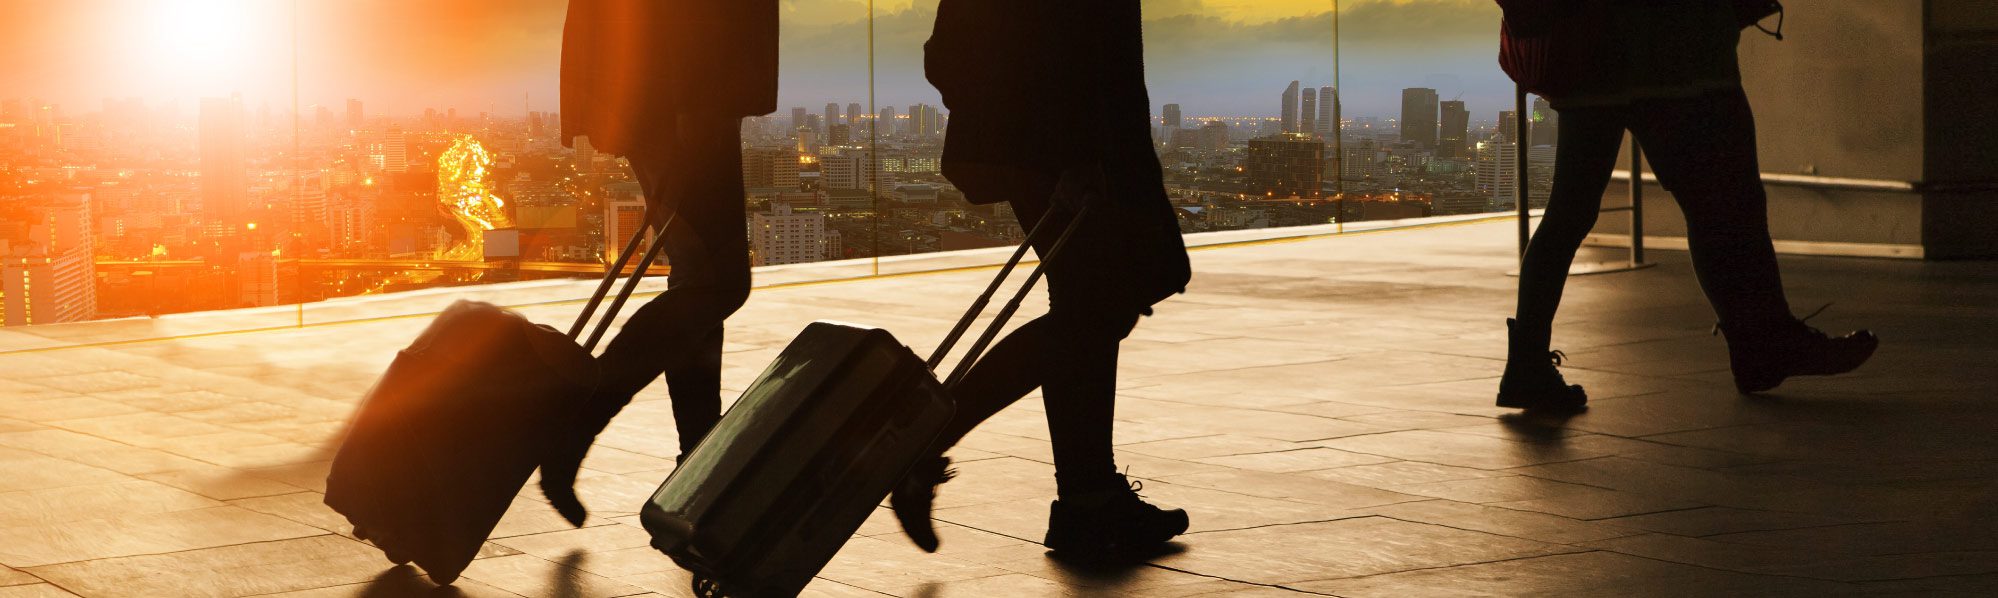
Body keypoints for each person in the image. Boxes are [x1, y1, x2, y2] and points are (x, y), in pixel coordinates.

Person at [889, 0, 1194, 557]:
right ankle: (928, 440)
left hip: (1046, 145)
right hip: (1065, 149)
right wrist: (1076, 152)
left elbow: (948, 53)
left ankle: (1088, 499)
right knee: (1095, 311)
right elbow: (1074, 46)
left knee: (1091, 309)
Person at [1495, 0, 1876, 411]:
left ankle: (1527, 364)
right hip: (1679, 49)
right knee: (1726, 203)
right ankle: (1764, 344)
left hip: (1595, 54)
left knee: (1571, 213)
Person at [540, 0, 777, 526]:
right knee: (718, 284)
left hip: (673, 88)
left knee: (702, 283)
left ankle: (697, 461)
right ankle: (582, 420)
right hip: (683, 90)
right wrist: (694, 105)